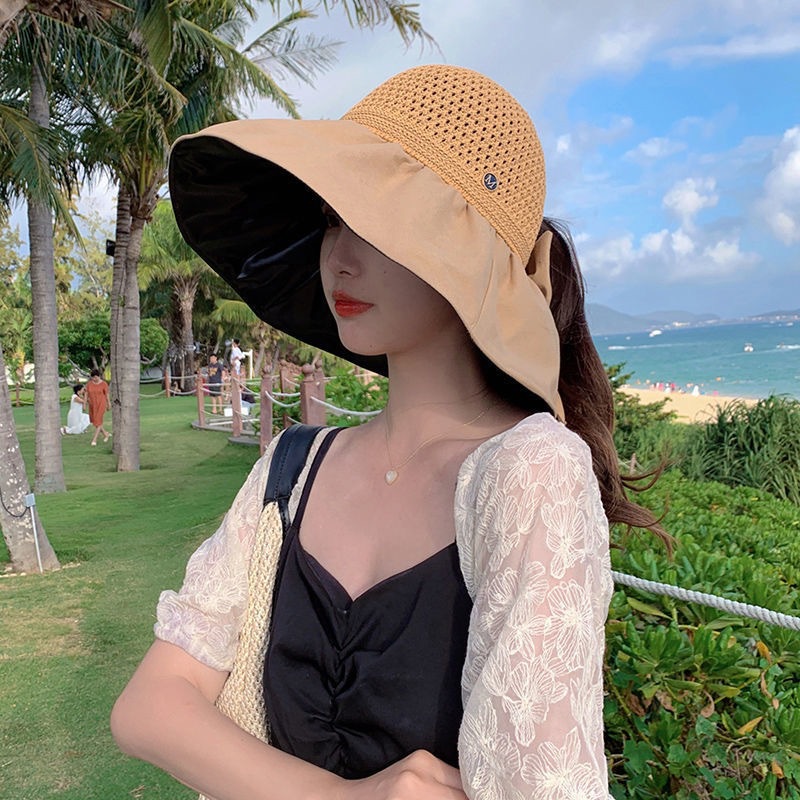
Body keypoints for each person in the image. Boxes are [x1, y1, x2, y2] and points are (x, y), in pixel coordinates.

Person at [112, 65, 666, 799]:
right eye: (331, 219)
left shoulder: (531, 472)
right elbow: (148, 707)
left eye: (375, 222)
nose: (339, 256)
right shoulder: (292, 467)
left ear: (471, 257)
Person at [85, 369, 111, 446]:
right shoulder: (89, 384)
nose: (94, 379)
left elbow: (107, 395)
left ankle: (94, 439)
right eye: (93, 377)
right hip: (92, 405)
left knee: (98, 421)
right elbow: (86, 394)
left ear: (99, 376)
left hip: (101, 404)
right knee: (95, 422)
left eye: (96, 377)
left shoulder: (104, 384)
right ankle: (105, 434)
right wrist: (84, 404)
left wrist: (108, 404)